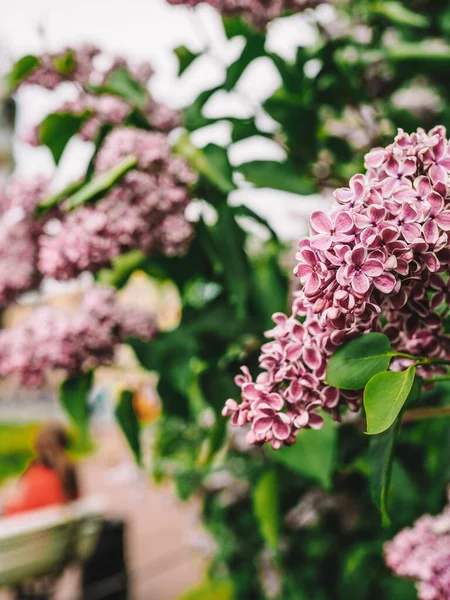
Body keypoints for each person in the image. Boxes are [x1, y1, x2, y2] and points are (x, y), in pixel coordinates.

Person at [3, 423, 80, 517]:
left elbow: (23, 511)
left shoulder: (40, 475)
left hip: (35, 528)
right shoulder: (68, 470)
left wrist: (6, 508)